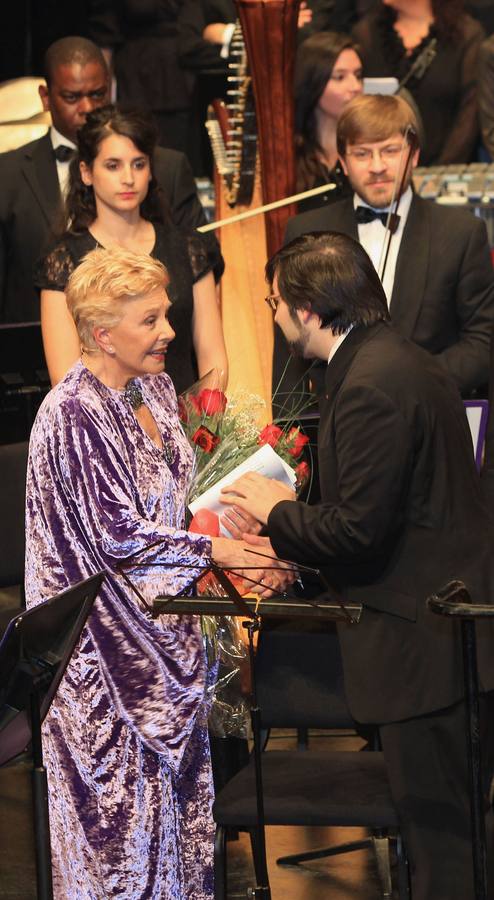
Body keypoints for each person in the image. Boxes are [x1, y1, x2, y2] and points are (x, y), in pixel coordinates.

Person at [222, 231, 494, 900]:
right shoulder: (400, 360)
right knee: (456, 842)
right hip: (444, 641)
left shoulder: (371, 384)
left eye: (276, 302)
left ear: (309, 309)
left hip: (423, 650)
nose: (274, 313)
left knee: (446, 856)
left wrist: (279, 510)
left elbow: (358, 532)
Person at [25, 246, 284, 899]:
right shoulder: (72, 412)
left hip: (169, 643)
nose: (169, 332)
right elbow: (119, 535)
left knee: (183, 840)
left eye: (166, 315)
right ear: (102, 333)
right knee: (118, 851)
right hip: (102, 668)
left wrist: (234, 519)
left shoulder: (155, 388)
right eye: (151, 320)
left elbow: (173, 505)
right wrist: (221, 555)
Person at [279, 93, 494, 400]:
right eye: (363, 154)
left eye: (390, 151)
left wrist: (408, 381)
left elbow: (482, 343)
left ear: (414, 154)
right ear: (343, 161)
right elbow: (290, 350)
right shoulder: (305, 231)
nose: (377, 166)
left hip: (430, 412)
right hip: (333, 420)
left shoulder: (461, 233)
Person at [0, 35, 222, 324]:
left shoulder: (167, 166)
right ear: (45, 97)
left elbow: (200, 264)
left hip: (158, 347)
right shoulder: (7, 175)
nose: (88, 108)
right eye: (72, 97)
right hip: (36, 360)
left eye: (97, 94)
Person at [36, 104, 228, 395]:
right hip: (103, 429)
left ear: (151, 170)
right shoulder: (63, 260)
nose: (128, 178)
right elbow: (65, 378)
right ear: (86, 172)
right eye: (113, 165)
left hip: (186, 425)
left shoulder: (189, 248)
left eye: (138, 164)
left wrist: (205, 428)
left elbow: (212, 356)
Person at [352, 0, 484, 165]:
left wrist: (441, 169)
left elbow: (470, 113)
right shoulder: (366, 34)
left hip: (448, 169)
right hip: (381, 168)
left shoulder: (466, 34)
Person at [294, 31, 363, 213]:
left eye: (358, 75)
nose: (355, 87)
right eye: (340, 77)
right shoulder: (287, 158)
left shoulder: (371, 146)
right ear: (313, 82)